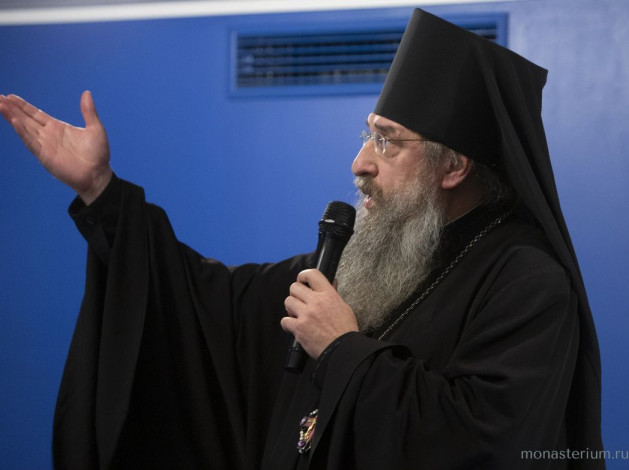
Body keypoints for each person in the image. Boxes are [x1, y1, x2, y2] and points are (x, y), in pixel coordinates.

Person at [0, 8, 603, 470]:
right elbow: (214, 305)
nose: (360, 162)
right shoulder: (373, 254)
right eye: (367, 135)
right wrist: (103, 193)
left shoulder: (526, 284)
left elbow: (486, 444)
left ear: (454, 166)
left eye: (388, 141)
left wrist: (342, 349)